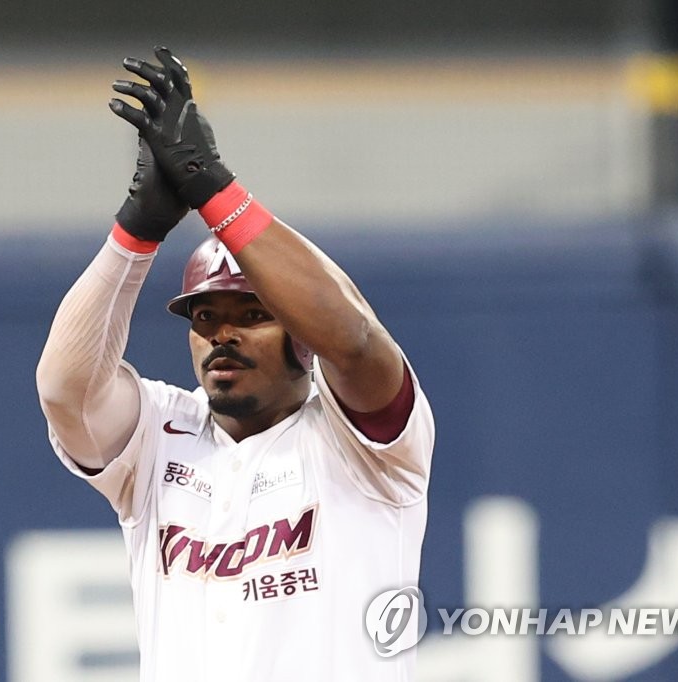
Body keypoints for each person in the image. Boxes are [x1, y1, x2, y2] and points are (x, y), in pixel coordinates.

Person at [36, 46, 435, 682]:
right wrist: (137, 231)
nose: (223, 334)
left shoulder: (365, 445)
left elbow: (354, 340)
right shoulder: (160, 438)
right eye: (204, 317)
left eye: (252, 315)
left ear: (298, 332)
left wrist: (214, 188)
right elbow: (65, 392)